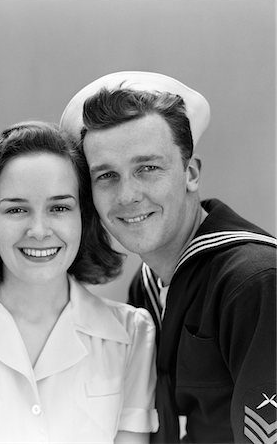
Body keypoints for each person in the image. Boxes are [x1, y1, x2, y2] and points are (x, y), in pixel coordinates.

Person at [59, 71, 277, 443]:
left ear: (190, 173)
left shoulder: (254, 281)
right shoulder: (145, 288)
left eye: (148, 168)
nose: (127, 195)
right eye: (107, 175)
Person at [0, 121, 158, 443]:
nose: (39, 230)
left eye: (59, 207)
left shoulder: (132, 335)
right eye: (17, 209)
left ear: (83, 217)